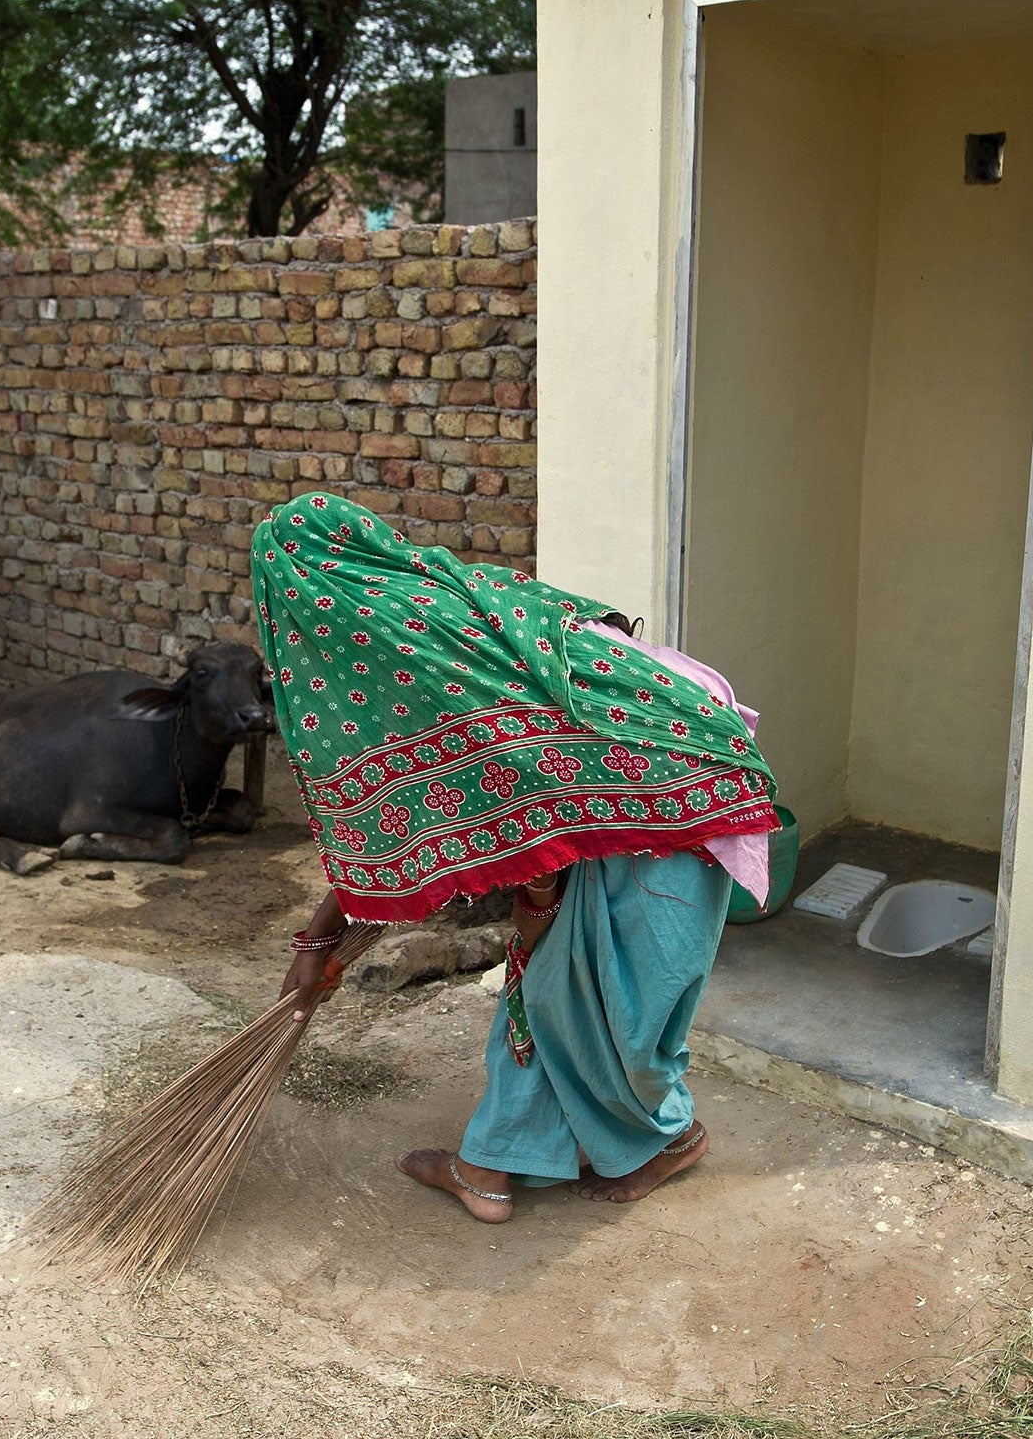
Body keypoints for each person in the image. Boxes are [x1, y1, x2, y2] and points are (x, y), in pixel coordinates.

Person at [255, 492, 780, 1223]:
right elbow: (403, 817)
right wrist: (318, 940)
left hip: (673, 786)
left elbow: (509, 773)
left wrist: (534, 904)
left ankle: (671, 1139)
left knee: (618, 1007)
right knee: (556, 992)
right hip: (637, 778)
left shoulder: (392, 645)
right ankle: (490, 1166)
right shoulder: (439, 601)